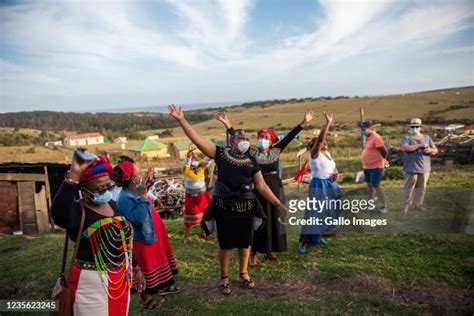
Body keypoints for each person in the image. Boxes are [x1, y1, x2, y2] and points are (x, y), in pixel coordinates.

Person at [168, 104, 288, 295]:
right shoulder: (220, 153)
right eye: (241, 137)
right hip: (224, 207)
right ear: (232, 140)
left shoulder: (251, 160)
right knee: (225, 244)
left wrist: (279, 204)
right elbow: (198, 141)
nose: (245, 140)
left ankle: (243, 273)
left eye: (246, 138)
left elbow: (262, 186)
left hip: (246, 207)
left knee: (245, 243)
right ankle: (224, 277)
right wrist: (182, 120)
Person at [51, 151, 145, 316]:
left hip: (121, 281)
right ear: (83, 189)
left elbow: (123, 241)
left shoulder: (113, 205)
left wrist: (136, 268)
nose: (104, 191)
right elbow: (58, 215)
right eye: (98, 188)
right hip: (90, 285)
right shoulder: (77, 211)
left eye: (108, 186)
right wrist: (73, 176)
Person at [216, 110, 314, 266]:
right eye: (261, 137)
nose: (262, 139)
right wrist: (227, 124)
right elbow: (237, 139)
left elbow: (289, 136)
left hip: (276, 188)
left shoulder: (276, 150)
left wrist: (304, 122)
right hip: (260, 191)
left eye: (266, 138)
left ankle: (269, 251)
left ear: (272, 141)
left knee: (274, 220)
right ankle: (253, 255)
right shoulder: (252, 152)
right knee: (259, 221)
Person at [116, 160, 180, 310]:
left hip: (151, 235)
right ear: (131, 178)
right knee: (143, 268)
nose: (140, 175)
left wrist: (146, 186)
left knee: (154, 263)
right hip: (140, 240)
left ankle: (161, 286)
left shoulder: (135, 190)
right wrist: (144, 197)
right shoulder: (124, 198)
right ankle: (145, 297)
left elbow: (145, 198)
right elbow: (137, 217)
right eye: (137, 173)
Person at [298, 112, 341, 254]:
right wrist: (328, 123)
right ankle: (303, 241)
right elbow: (321, 138)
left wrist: (335, 173)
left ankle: (316, 237)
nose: (324, 142)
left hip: (330, 184)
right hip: (319, 185)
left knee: (327, 212)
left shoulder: (327, 154)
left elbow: (332, 167)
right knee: (314, 213)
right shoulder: (314, 154)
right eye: (320, 142)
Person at [400, 118, 438, 214]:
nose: (415, 128)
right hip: (410, 168)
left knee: (422, 188)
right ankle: (405, 207)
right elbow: (406, 148)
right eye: (413, 127)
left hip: (424, 168)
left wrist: (430, 150)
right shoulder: (407, 137)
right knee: (409, 188)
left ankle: (418, 205)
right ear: (410, 127)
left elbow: (435, 149)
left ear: (420, 127)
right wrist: (420, 146)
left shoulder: (427, 137)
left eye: (417, 126)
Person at [182, 144, 211, 245]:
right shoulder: (186, 170)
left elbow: (209, 158)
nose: (194, 159)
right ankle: (186, 237)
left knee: (205, 216)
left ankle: (204, 233)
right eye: (191, 158)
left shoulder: (201, 167)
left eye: (195, 157)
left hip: (202, 196)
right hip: (191, 197)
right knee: (188, 218)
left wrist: (210, 149)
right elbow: (186, 163)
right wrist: (189, 155)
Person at [360, 120, 389, 213]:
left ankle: (384, 205)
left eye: (364, 129)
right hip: (367, 166)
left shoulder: (376, 138)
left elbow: (384, 152)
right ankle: (370, 203)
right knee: (369, 185)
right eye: (361, 129)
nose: (362, 131)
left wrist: (385, 161)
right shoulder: (367, 138)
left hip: (376, 166)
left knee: (376, 185)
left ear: (370, 128)